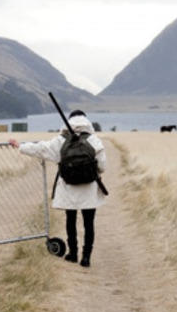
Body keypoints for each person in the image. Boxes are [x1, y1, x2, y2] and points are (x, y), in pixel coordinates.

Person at [9, 110, 107, 267]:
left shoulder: (61, 141)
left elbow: (40, 149)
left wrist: (20, 146)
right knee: (89, 224)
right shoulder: (94, 141)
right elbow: (102, 166)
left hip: (68, 188)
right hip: (89, 189)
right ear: (86, 122)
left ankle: (73, 254)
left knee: (70, 220)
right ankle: (86, 257)